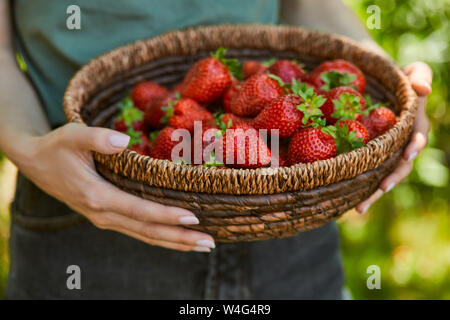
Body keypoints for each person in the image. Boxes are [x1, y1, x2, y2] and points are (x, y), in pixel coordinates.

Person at [0, 0, 432, 299]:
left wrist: (383, 73)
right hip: (84, 196)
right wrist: (28, 145)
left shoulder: (271, 118)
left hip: (292, 214)